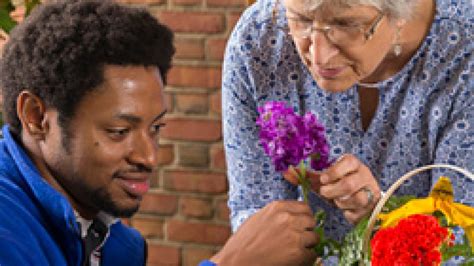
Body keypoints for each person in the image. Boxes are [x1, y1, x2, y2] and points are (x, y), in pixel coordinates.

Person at [0, 1, 319, 265]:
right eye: (119, 131)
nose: (149, 157)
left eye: (155, 129)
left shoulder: (117, 244)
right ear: (36, 116)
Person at [222, 0, 473, 262]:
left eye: (346, 24)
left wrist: (380, 216)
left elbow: (462, 248)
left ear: (402, 11)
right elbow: (254, 224)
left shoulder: (465, 51)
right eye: (301, 21)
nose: (319, 57)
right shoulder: (259, 40)